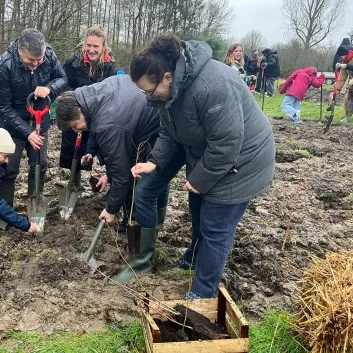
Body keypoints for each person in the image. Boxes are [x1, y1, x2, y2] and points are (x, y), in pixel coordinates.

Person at [129, 33, 275, 299]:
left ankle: (203, 292)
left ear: (167, 77)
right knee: (197, 209)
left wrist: (199, 180)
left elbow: (227, 144)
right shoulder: (169, 95)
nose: (148, 97)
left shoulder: (212, 85)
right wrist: (155, 162)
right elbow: (169, 131)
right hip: (209, 155)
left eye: (149, 90)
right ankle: (196, 255)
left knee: (216, 226)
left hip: (243, 161)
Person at [55, 76, 186, 275]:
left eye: (75, 124)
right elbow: (122, 151)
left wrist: (110, 209)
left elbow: (123, 176)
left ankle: (140, 262)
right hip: (158, 132)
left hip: (168, 139)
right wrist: (109, 174)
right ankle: (153, 231)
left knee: (142, 192)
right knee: (154, 185)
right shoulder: (97, 94)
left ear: (80, 110)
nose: (77, 129)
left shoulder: (107, 123)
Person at [0, 28, 67, 230]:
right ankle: (4, 214)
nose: (35, 64)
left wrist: (49, 88)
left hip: (39, 120)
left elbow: (62, 78)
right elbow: (2, 108)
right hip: (11, 126)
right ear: (19, 50)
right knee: (8, 169)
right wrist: (27, 132)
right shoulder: (2, 66)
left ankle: (35, 204)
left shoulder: (48, 54)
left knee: (39, 165)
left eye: (39, 60)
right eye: (30, 60)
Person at [60, 25, 117, 189]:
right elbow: (65, 84)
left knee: (105, 148)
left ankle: (111, 184)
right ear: (85, 44)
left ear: (103, 46)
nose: (91, 50)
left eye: (96, 46)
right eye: (89, 45)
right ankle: (75, 186)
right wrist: (76, 97)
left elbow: (111, 92)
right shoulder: (73, 62)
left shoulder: (109, 68)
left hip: (97, 117)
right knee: (73, 151)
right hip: (75, 112)